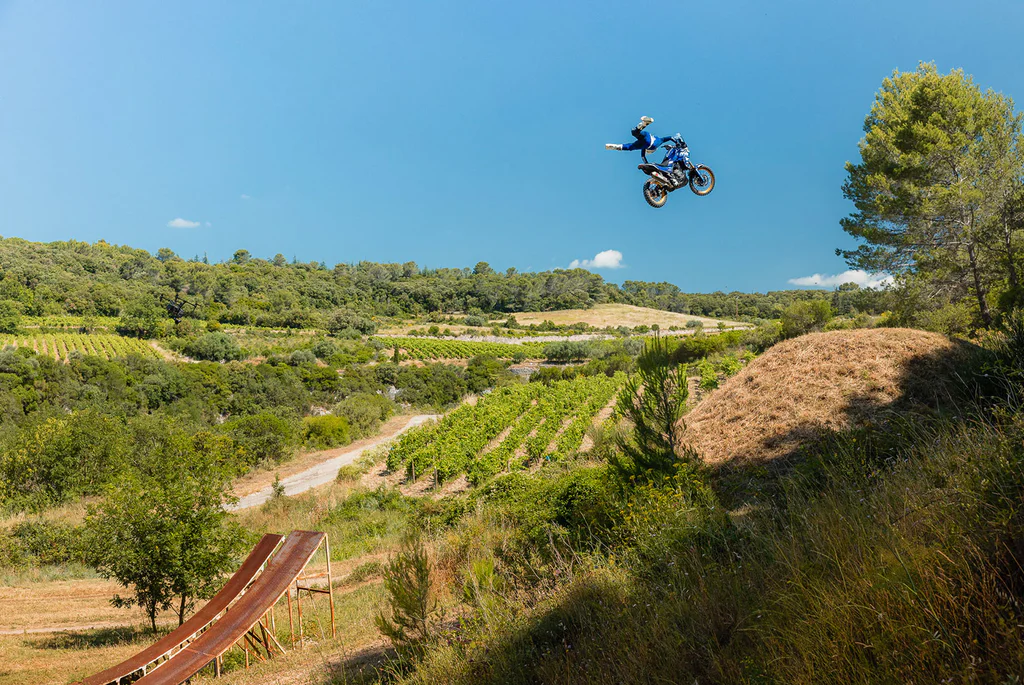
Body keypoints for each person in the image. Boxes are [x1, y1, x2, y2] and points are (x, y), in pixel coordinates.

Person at [606, 116, 692, 178]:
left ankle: (617, 146)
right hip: (648, 140)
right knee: (633, 141)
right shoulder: (656, 143)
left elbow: (643, 157)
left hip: (647, 139)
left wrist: (647, 164)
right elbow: (670, 137)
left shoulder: (646, 147)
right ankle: (617, 146)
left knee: (632, 141)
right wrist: (677, 143)